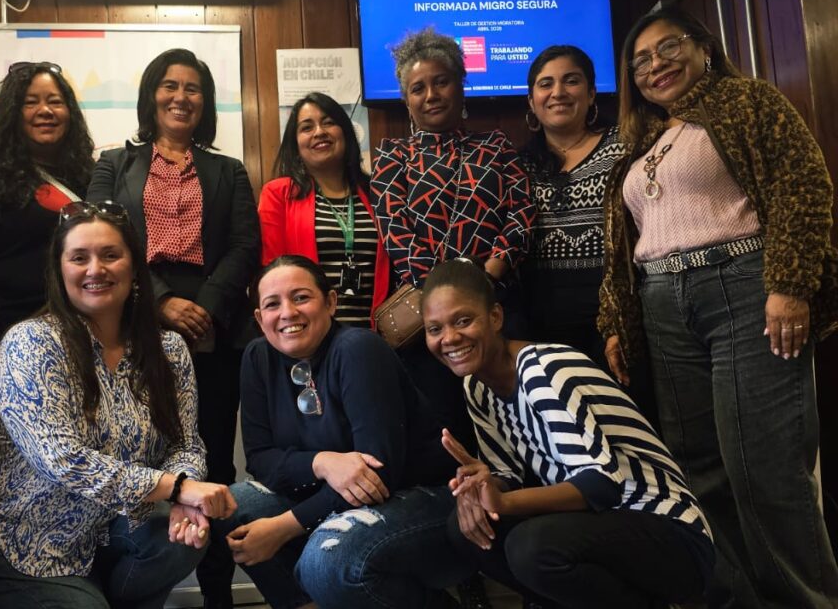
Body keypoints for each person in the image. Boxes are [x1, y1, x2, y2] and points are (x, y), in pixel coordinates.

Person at [599, 4, 838, 608]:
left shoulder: (748, 103)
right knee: (699, 469)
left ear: (704, 47)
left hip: (745, 289)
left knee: (766, 470)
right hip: (661, 303)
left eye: (668, 48)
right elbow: (625, 243)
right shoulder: (644, 138)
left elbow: (801, 186)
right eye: (640, 61)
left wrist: (789, 284)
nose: (655, 66)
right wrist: (617, 324)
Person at [0, 200, 236, 608]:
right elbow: (61, 457)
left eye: (110, 255)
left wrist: (184, 497)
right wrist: (178, 487)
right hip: (30, 542)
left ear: (134, 268)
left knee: (184, 540)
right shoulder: (31, 342)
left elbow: (186, 443)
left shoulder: (168, 348)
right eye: (79, 257)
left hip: (112, 531)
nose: (95, 269)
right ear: (60, 270)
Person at [421, 259, 714, 609]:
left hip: (668, 531)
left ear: (495, 317)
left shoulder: (541, 368)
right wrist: (480, 488)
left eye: (463, 321)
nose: (449, 338)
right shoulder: (476, 386)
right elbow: (509, 476)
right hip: (597, 527)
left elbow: (600, 485)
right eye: (434, 329)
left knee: (532, 547)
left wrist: (504, 501)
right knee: (466, 528)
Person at [87, 48, 260, 608]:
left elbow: (243, 246)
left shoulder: (228, 170)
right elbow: (101, 240)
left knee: (210, 462)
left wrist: (203, 304)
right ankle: (128, 587)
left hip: (214, 328)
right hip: (132, 319)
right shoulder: (114, 163)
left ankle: (218, 596)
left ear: (205, 102)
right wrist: (160, 302)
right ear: (150, 95)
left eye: (193, 88)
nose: (181, 97)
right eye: (169, 85)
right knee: (134, 453)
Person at [214, 255, 462, 609]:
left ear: (330, 302)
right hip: (335, 491)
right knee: (234, 506)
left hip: (422, 494)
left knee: (325, 562)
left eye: (301, 297)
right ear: (259, 318)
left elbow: (380, 475)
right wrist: (322, 463)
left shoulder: (358, 348)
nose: (287, 313)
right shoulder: (257, 357)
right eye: (272, 304)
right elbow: (260, 459)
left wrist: (285, 525)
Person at [371, 26, 534, 454]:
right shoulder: (392, 157)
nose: (431, 95)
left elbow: (521, 212)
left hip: (499, 304)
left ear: (460, 84)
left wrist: (491, 272)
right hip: (432, 319)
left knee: (519, 422)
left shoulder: (496, 147)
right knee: (450, 432)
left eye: (441, 81)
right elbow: (398, 234)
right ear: (406, 100)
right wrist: (449, 293)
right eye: (417, 88)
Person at [0, 60, 94, 340]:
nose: (45, 111)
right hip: (6, 331)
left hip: (82, 330)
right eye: (31, 103)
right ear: (12, 113)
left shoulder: (91, 175)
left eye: (55, 102)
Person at [518, 45, 626, 370]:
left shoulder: (623, 146)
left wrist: (622, 317)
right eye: (545, 83)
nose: (558, 92)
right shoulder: (519, 165)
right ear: (531, 101)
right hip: (542, 322)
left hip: (615, 311)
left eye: (571, 81)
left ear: (592, 93)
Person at [259, 92, 389, 327]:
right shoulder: (278, 195)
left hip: (374, 336)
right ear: (295, 145)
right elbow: (273, 272)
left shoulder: (377, 193)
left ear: (346, 134)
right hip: (309, 336)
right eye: (307, 127)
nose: (320, 131)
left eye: (329, 122)